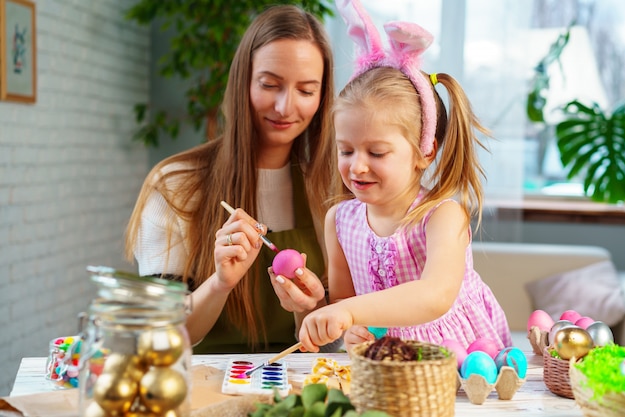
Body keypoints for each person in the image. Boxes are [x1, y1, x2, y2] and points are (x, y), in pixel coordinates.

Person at [298, 0, 512, 353]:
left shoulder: (442, 215)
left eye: (377, 153)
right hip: (388, 364)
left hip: (458, 357)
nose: (357, 166)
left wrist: (347, 312)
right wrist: (351, 328)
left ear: (425, 151)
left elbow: (434, 296)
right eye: (346, 150)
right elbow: (347, 305)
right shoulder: (339, 221)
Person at [125, 4, 342, 354]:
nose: (286, 107)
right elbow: (159, 333)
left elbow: (330, 341)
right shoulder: (175, 185)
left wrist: (307, 309)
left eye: (305, 90)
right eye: (270, 84)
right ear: (243, 82)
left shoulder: (331, 189)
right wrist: (220, 283)